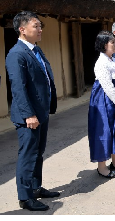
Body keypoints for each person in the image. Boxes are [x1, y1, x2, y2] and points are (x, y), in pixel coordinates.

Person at [5, 11, 59, 211]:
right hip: (29, 115)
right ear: (22, 29)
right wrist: (29, 114)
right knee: (28, 154)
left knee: (38, 152)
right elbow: (18, 88)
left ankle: (36, 188)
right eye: (35, 26)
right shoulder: (16, 54)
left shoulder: (36, 50)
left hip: (41, 112)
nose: (40, 29)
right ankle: (25, 197)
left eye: (40, 25)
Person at [88, 30, 115, 180]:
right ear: (103, 45)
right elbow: (107, 86)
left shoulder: (114, 60)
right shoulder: (101, 63)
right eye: (112, 42)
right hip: (104, 100)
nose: (114, 45)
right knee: (104, 131)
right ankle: (102, 167)